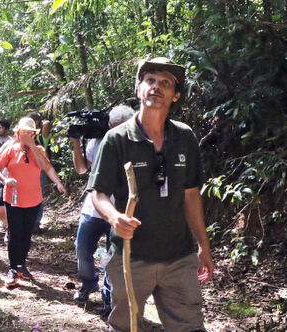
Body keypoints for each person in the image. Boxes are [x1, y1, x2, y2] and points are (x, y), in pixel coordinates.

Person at [88, 57, 214, 331]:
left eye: (165, 83)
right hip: (131, 256)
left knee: (190, 326)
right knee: (126, 326)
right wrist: (114, 218)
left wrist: (203, 245)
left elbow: (191, 195)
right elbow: (98, 194)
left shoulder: (185, 137)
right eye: (150, 81)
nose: (156, 87)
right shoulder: (117, 139)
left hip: (178, 256)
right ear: (139, 89)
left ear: (175, 94)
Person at [70, 105, 135, 312]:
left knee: (113, 257)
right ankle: (88, 283)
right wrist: (76, 144)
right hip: (93, 209)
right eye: (112, 126)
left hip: (120, 212)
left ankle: (109, 297)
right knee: (82, 248)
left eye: (119, 126)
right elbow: (81, 169)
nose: (114, 130)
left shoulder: (137, 145)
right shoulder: (98, 142)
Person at [0, 118, 52, 287]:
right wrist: (5, 179)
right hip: (13, 198)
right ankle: (12, 268)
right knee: (15, 232)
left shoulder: (39, 149)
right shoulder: (10, 149)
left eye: (30, 132)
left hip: (33, 199)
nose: (27, 135)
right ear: (18, 133)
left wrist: (32, 146)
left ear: (34, 134)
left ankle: (21, 265)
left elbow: (44, 166)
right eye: (24, 132)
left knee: (27, 232)